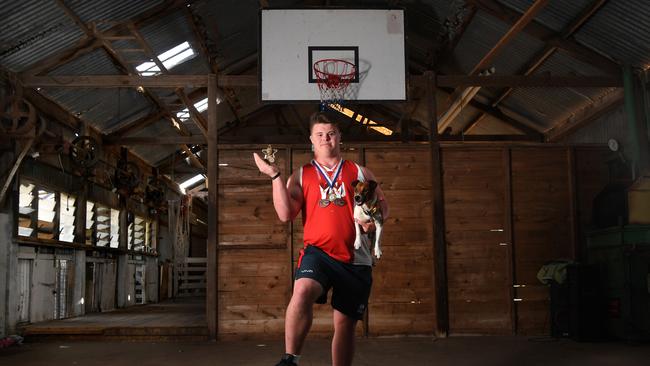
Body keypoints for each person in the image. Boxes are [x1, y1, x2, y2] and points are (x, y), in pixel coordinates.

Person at [253, 111, 389, 366]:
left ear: (339, 137)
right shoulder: (302, 174)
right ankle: (290, 359)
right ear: (311, 140)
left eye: (331, 133)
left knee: (344, 323)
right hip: (319, 252)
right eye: (320, 134)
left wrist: (372, 222)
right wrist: (275, 176)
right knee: (302, 290)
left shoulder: (359, 171)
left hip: (356, 257)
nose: (325, 138)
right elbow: (285, 214)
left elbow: (383, 205)